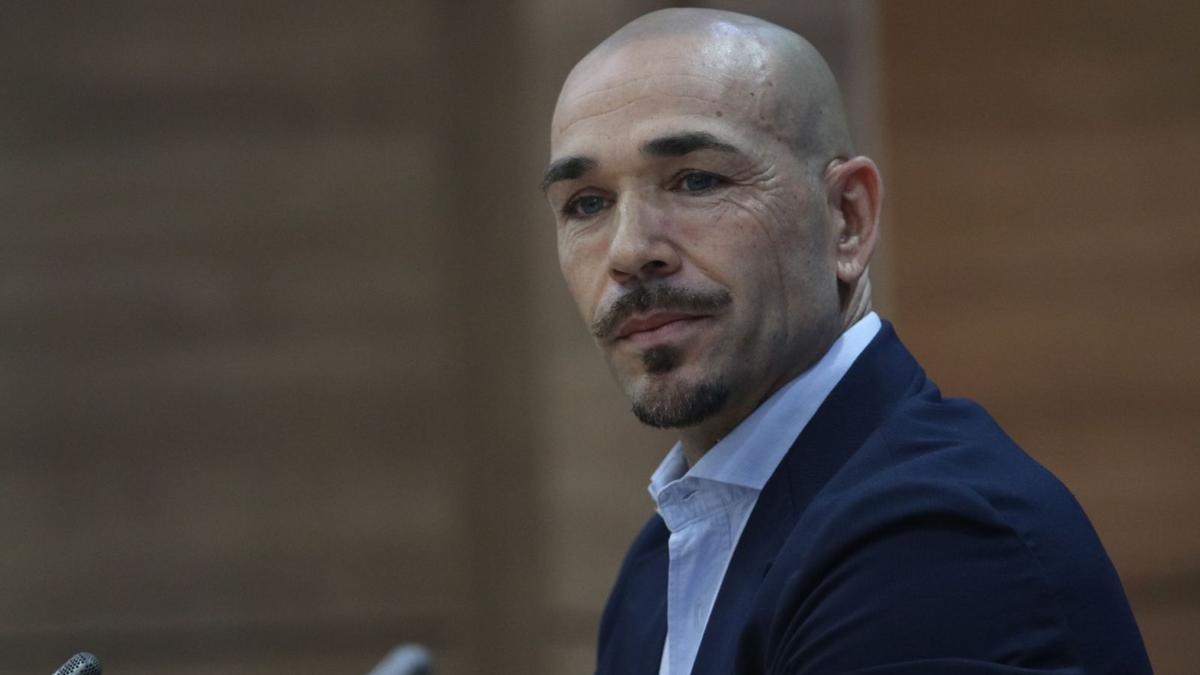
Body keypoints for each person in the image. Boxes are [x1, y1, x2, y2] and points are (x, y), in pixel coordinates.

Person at [541, 8, 1151, 675]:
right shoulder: (655, 569)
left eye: (697, 180)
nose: (629, 251)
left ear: (848, 219)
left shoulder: (932, 539)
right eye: (587, 203)